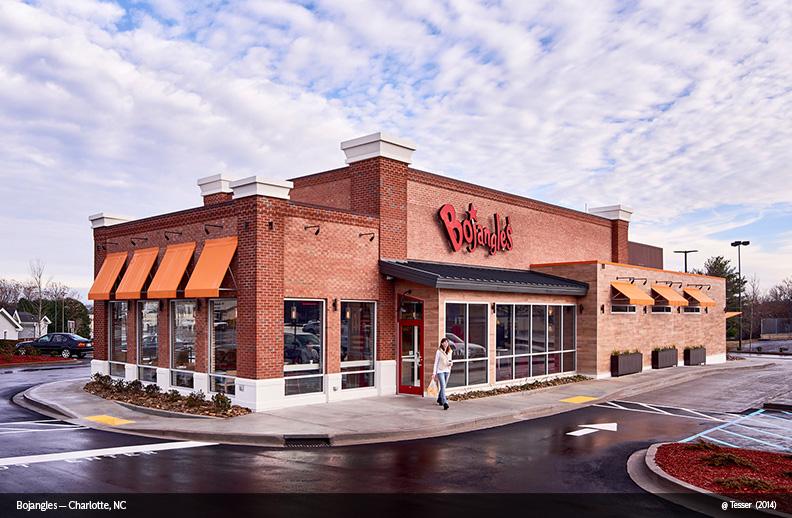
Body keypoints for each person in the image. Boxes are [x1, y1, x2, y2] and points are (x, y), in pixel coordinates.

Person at [432, 337, 453, 410]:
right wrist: (434, 373)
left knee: (443, 387)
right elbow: (436, 363)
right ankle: (445, 402)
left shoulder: (450, 351)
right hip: (440, 371)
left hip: (447, 370)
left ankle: (439, 399)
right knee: (443, 386)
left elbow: (450, 360)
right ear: (441, 343)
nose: (446, 343)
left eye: (447, 342)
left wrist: (451, 363)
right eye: (444, 342)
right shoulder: (438, 351)